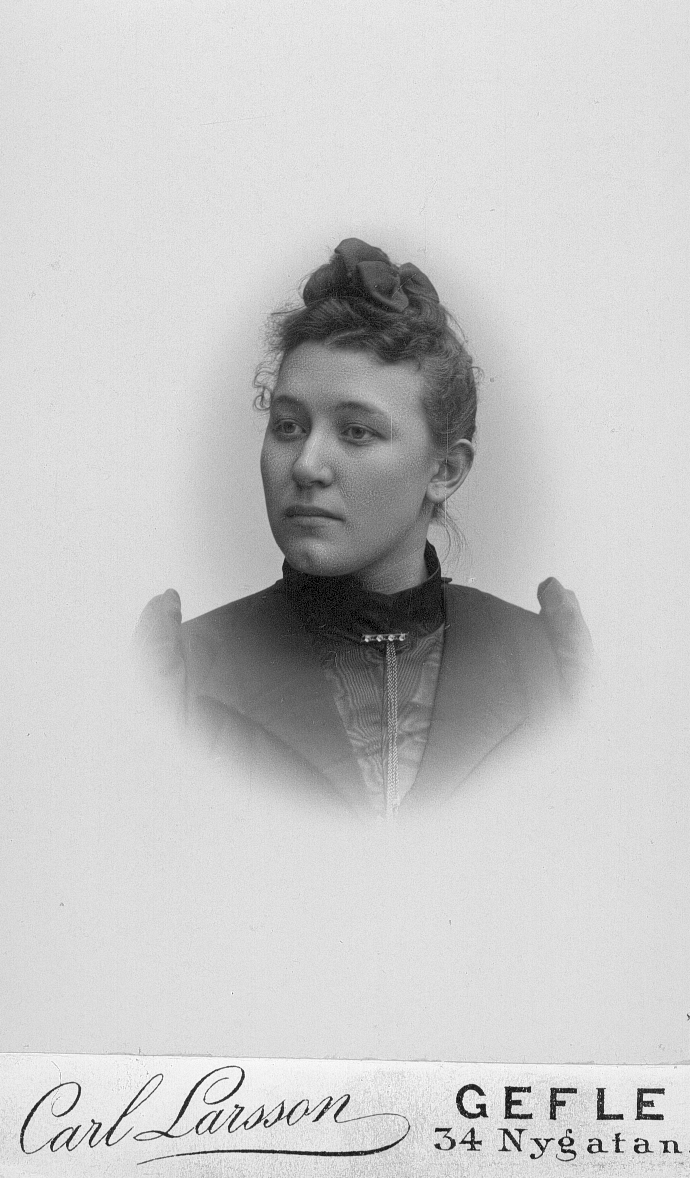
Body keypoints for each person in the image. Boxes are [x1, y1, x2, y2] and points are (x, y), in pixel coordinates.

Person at [134, 238, 592, 821]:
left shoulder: (544, 665)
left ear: (445, 471)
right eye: (289, 426)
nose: (307, 465)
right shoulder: (185, 672)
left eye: (356, 432)